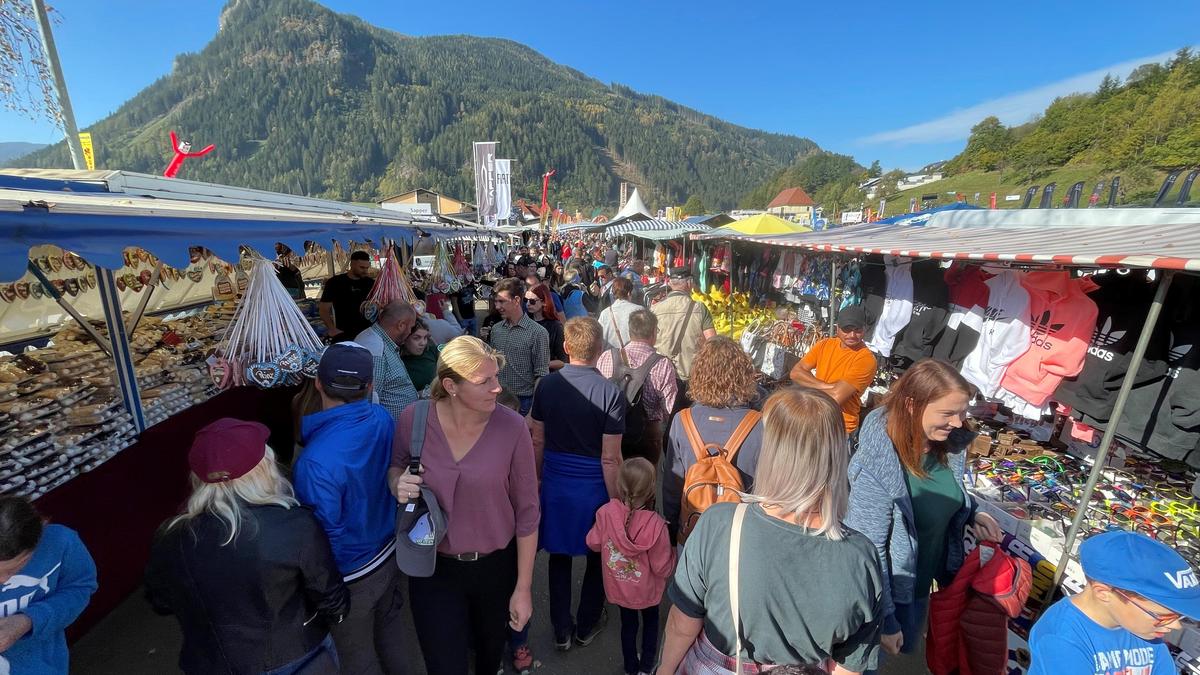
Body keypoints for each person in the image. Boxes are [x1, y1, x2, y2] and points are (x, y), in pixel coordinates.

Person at [658, 387, 885, 673]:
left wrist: (663, 670)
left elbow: (682, 624)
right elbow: (849, 665)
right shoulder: (861, 557)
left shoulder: (720, 523)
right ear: (837, 455)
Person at [146, 419, 347, 674]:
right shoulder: (294, 524)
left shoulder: (169, 537)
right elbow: (332, 599)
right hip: (296, 657)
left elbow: (160, 602)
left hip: (210, 663)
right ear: (263, 468)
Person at [389, 337, 539, 675]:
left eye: (496, 378)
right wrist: (397, 484)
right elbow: (396, 467)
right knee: (443, 664)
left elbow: (528, 514)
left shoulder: (513, 427)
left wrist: (523, 589)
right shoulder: (414, 419)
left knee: (488, 659)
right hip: (432, 567)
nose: (498, 388)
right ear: (450, 386)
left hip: (495, 569)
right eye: (485, 381)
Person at [845, 358, 1004, 668]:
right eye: (948, 413)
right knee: (873, 665)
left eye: (962, 412)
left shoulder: (949, 444)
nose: (959, 423)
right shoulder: (879, 464)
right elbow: (868, 549)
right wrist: (887, 620)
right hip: (886, 598)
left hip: (921, 587)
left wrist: (972, 511)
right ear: (911, 406)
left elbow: (945, 491)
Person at [294, 343, 407, 675]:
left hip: (352, 573)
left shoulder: (314, 461)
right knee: (393, 635)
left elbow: (323, 536)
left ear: (317, 382)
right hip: (390, 551)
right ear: (370, 386)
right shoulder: (381, 417)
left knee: (357, 655)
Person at [531, 317, 626, 651]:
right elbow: (611, 458)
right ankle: (587, 623)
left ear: (566, 347)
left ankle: (561, 629)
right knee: (598, 552)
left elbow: (537, 440)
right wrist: (618, 502)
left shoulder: (546, 386)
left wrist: (538, 479)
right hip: (595, 486)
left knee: (558, 554)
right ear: (600, 349)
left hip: (556, 480)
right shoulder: (611, 392)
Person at [1028, 530, 1198, 675]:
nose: (1176, 626)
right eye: (1163, 616)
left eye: (1180, 616)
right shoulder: (1060, 638)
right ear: (1103, 593)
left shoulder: (1144, 630)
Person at [662, 337, 763, 545]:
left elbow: (672, 484)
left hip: (693, 530)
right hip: (740, 534)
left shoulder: (683, 421)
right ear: (744, 375)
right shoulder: (760, 424)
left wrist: (672, 531)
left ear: (698, 374)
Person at [586, 458, 674, 675]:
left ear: (619, 485)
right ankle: (646, 667)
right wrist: (673, 556)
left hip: (620, 589)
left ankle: (630, 667)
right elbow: (662, 568)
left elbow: (593, 542)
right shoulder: (656, 525)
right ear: (652, 488)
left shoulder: (606, 513)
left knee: (628, 626)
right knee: (651, 624)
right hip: (648, 592)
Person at [0, 496, 95, 674]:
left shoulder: (60, 542)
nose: (4, 581)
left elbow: (79, 589)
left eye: (13, 569)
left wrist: (28, 620)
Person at [597, 309, 678, 465]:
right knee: (644, 483)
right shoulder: (662, 364)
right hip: (647, 434)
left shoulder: (607, 356)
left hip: (611, 431)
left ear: (630, 331)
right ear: (654, 332)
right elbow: (670, 409)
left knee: (614, 477)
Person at [789, 305, 877, 433]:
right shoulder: (825, 344)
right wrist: (830, 387)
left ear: (864, 330)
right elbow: (795, 373)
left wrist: (809, 385)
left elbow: (835, 398)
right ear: (837, 328)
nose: (852, 335)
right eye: (847, 329)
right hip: (813, 418)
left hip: (838, 427)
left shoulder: (866, 359)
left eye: (857, 330)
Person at [488, 278, 550, 416]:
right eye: (496, 301)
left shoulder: (537, 333)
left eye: (502, 301)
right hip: (497, 398)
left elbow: (542, 375)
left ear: (516, 300)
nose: (497, 306)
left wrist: (532, 413)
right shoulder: (496, 329)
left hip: (524, 403)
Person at [355, 301, 419, 419]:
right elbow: (370, 399)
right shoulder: (376, 349)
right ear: (401, 325)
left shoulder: (380, 341)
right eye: (411, 327)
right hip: (390, 431)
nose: (410, 332)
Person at [652, 267, 716, 384]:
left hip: (662, 376)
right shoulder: (700, 308)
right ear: (690, 283)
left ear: (670, 283)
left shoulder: (655, 309)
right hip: (692, 376)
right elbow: (713, 342)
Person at [319, 250, 374, 341]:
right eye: (362, 268)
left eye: (367, 268)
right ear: (352, 264)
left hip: (367, 333)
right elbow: (323, 309)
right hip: (344, 333)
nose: (365, 271)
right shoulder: (335, 283)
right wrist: (332, 328)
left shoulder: (371, 283)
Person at [526, 284, 567, 371]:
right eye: (526, 300)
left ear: (544, 302)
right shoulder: (524, 322)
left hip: (546, 375)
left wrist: (540, 364)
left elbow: (563, 361)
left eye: (532, 301)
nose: (528, 304)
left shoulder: (555, 326)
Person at [598, 277, 642, 352]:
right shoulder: (639, 310)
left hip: (610, 358)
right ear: (629, 293)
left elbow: (599, 337)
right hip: (634, 357)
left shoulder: (604, 313)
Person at [401, 318, 439, 393]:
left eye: (425, 338)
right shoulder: (399, 361)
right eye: (416, 338)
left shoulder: (430, 350)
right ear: (404, 338)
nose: (423, 343)